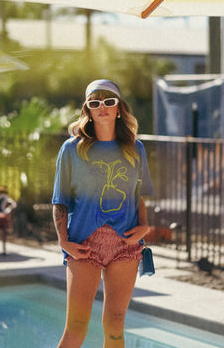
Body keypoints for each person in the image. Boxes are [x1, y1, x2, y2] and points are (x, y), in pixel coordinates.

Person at [52, 79, 154, 348]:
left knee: (115, 326)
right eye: (94, 103)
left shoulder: (135, 148)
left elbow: (138, 194)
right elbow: (59, 200)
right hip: (84, 245)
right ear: (88, 110)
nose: (102, 107)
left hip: (126, 246)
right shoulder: (72, 149)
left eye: (108, 101)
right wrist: (63, 241)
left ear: (119, 108)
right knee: (75, 328)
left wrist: (144, 227)